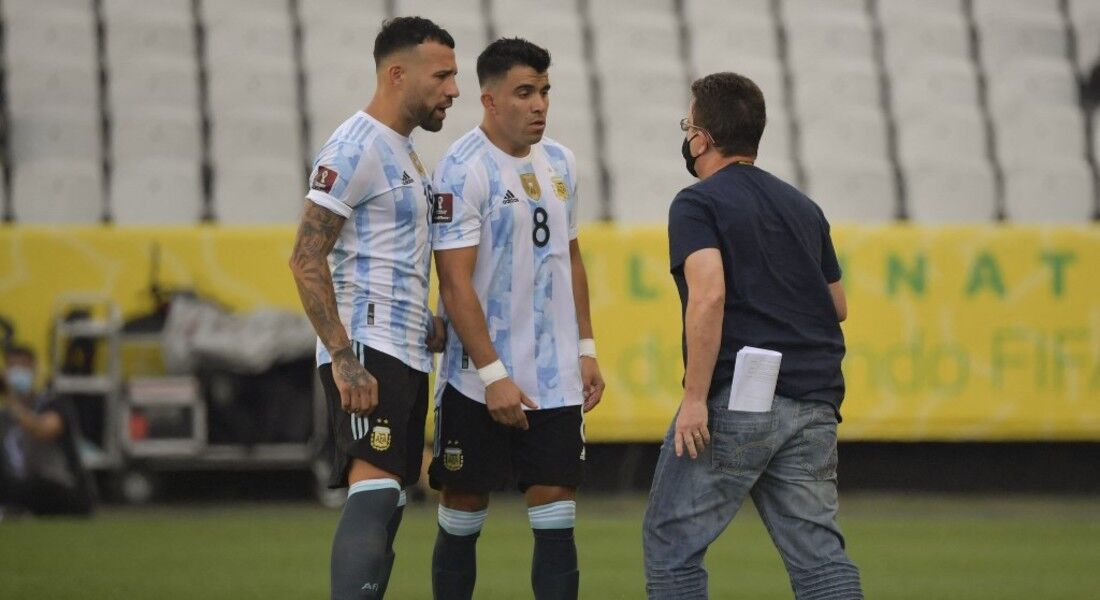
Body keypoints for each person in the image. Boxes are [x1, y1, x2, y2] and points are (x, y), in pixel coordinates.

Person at [642, 72, 863, 599]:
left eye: (689, 126)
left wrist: (695, 398)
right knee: (819, 560)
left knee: (672, 543)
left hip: (742, 395)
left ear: (703, 138)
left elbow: (709, 295)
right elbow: (838, 305)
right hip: (814, 401)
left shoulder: (697, 203)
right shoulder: (803, 207)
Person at [427, 38, 605, 600]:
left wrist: (587, 347)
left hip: (555, 379)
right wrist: (493, 373)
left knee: (555, 508)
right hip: (476, 382)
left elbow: (569, 258)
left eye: (545, 92)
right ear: (489, 99)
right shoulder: (461, 169)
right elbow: (454, 283)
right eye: (525, 92)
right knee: (464, 506)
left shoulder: (561, 162)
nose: (539, 105)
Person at [287, 16, 457, 600]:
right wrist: (343, 355)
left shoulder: (406, 154)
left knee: (390, 504)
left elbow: (387, 255)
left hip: (405, 346)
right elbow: (306, 257)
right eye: (442, 76)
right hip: (367, 345)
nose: (453, 90)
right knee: (376, 490)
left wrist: (428, 324)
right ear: (396, 74)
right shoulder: (355, 146)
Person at [0, 345, 96, 518]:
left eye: (23, 367)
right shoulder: (4, 416)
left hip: (61, 489)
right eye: (12, 367)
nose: (16, 373)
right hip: (20, 487)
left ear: (34, 369)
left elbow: (43, 430)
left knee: (37, 486)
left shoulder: (53, 403)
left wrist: (10, 399)